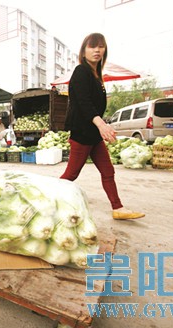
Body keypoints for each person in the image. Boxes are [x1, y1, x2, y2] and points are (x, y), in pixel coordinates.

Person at [60, 33, 144, 220]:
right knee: (71, 175)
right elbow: (83, 102)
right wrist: (101, 124)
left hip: (93, 134)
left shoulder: (96, 76)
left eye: (100, 46)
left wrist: (100, 127)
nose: (97, 50)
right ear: (84, 51)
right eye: (92, 46)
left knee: (108, 171)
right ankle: (47, 202)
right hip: (83, 133)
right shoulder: (81, 71)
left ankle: (118, 208)